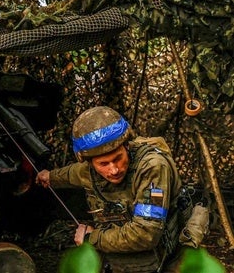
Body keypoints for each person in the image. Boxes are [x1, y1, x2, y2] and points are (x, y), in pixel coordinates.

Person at [36, 106, 189, 273]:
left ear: (127, 147)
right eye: (103, 164)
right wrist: (50, 176)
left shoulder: (153, 167)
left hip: (165, 252)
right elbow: (73, 173)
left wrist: (91, 237)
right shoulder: (88, 170)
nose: (114, 170)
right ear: (90, 163)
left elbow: (146, 234)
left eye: (118, 158)